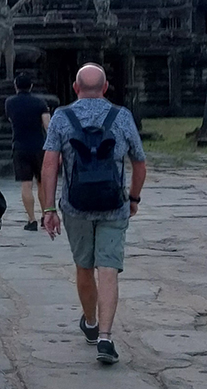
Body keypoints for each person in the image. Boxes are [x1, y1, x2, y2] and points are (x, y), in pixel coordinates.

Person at [40, 63, 146, 366]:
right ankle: (105, 337)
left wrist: (48, 208)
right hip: (114, 204)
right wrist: (134, 198)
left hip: (75, 206)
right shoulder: (122, 116)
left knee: (84, 267)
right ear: (105, 87)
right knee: (109, 270)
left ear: (75, 88)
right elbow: (139, 163)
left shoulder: (62, 116)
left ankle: (90, 321)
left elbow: (50, 164)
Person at [5, 75, 52, 231]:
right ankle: (46, 216)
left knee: (26, 184)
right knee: (41, 183)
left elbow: (11, 120)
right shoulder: (40, 103)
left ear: (16, 86)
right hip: (39, 146)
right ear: (31, 86)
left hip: (20, 146)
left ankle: (31, 220)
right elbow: (47, 126)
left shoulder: (9, 103)